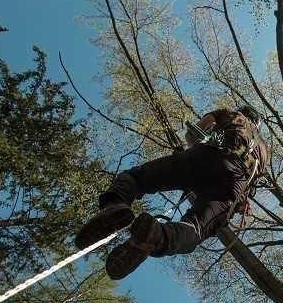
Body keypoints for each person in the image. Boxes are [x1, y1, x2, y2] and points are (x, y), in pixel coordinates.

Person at [75, 105, 269, 280]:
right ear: (258, 125)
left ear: (243, 111)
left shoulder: (231, 114)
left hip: (207, 156)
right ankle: (156, 236)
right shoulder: (264, 152)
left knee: (137, 178)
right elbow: (249, 187)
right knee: (197, 228)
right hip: (232, 188)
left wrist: (188, 150)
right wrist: (241, 202)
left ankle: (115, 205)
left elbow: (195, 133)